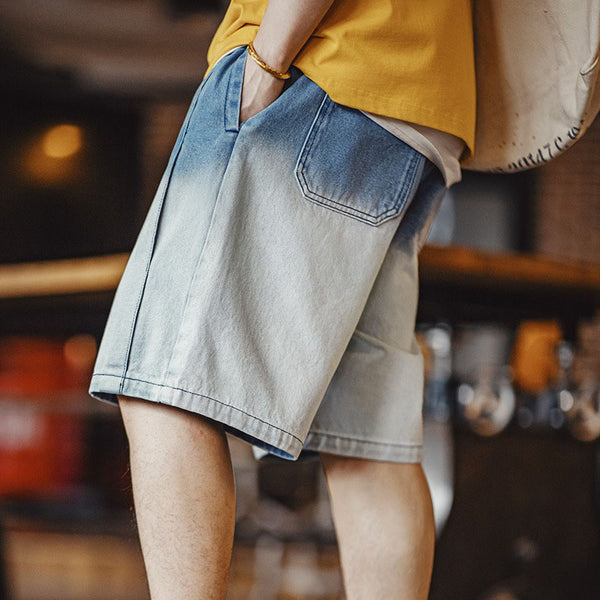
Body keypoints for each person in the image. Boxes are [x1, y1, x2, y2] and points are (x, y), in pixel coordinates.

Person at [89, 1, 476, 597]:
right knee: (367, 441)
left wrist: (265, 66)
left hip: (316, 71)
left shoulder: (286, 69)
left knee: (162, 391)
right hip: (418, 104)